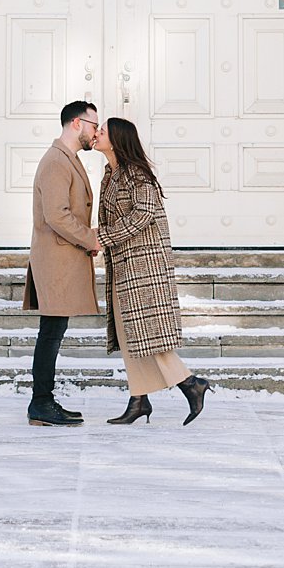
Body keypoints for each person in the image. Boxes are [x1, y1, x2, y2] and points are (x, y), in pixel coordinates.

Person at [91, 117, 211, 425]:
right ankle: (139, 399)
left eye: (102, 130)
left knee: (148, 335)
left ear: (117, 140)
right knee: (130, 334)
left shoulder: (136, 175)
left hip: (143, 267)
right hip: (123, 264)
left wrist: (102, 237)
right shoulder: (111, 173)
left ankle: (190, 384)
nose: (96, 133)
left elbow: (143, 214)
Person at [22, 98, 102, 427]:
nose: (96, 132)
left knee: (53, 331)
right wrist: (89, 237)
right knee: (51, 332)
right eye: (94, 125)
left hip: (61, 258)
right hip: (55, 260)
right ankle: (41, 403)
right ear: (77, 123)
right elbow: (57, 214)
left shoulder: (65, 158)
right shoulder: (57, 160)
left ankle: (42, 402)